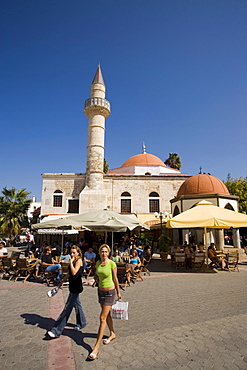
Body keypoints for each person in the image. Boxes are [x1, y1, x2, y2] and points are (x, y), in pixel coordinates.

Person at [88, 244, 121, 360]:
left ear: (109, 253)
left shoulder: (112, 263)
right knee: (106, 316)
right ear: (99, 252)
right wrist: (93, 280)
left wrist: (119, 292)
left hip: (110, 292)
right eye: (102, 251)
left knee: (102, 317)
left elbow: (115, 278)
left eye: (106, 252)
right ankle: (112, 333)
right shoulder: (98, 263)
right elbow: (98, 276)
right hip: (100, 292)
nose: (104, 253)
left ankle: (96, 347)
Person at [47, 245, 86, 338]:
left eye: (73, 253)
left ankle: (56, 330)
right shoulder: (73, 260)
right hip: (72, 286)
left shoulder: (79, 260)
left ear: (78, 253)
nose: (72, 254)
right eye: (71, 252)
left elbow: (74, 272)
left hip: (76, 287)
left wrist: (71, 262)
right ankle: (82, 323)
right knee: (77, 305)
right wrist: (62, 281)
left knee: (67, 308)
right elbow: (69, 273)